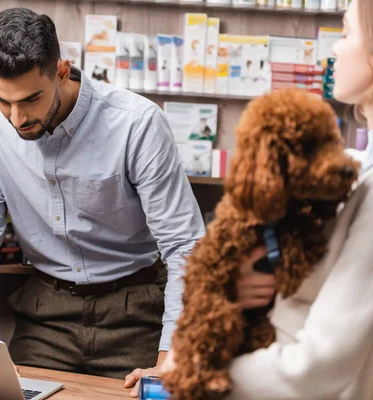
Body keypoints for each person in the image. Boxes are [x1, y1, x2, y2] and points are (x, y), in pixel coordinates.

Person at [0, 5, 206, 392]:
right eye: (5, 100)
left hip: (135, 311)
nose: (16, 118)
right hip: (46, 313)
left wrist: (171, 357)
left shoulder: (136, 124)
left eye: (30, 100)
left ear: (62, 71)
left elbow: (184, 245)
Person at [161, 0, 373, 398]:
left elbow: (319, 363)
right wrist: (233, 287)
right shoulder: (352, 170)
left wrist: (190, 372)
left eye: (345, 34)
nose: (334, 51)